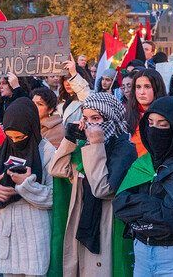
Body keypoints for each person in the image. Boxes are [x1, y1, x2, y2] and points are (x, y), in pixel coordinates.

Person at [113, 96, 173, 277]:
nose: (154, 130)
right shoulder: (142, 164)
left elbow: (171, 220)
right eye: (150, 123)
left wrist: (138, 208)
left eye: (163, 124)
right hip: (141, 253)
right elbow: (120, 206)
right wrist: (153, 207)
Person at [49, 93, 137, 277]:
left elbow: (102, 189)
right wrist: (70, 140)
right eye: (86, 118)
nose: (90, 124)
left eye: (96, 118)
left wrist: (96, 144)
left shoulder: (124, 148)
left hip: (104, 223)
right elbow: (57, 169)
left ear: (110, 118)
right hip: (80, 219)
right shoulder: (84, 144)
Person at [0, 98, 55, 276]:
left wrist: (27, 185)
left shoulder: (47, 151)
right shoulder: (3, 151)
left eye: (20, 137)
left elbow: (54, 197)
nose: (15, 141)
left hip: (34, 235)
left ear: (32, 129)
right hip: (8, 235)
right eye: (10, 137)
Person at [127, 69, 167, 156]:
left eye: (147, 87)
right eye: (138, 87)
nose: (142, 92)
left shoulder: (168, 115)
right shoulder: (126, 115)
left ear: (157, 88)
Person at [57, 60, 93, 125]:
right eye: (65, 79)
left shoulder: (88, 96)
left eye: (71, 78)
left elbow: (87, 96)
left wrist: (74, 73)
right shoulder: (61, 99)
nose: (68, 83)